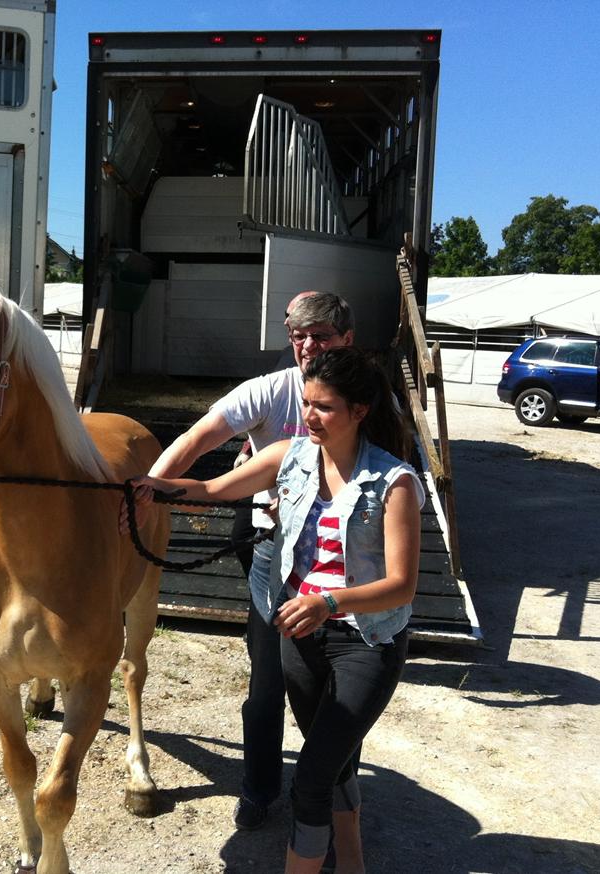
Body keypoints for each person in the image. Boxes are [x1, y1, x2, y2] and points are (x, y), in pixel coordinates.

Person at [126, 346, 423, 874]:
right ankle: (351, 862)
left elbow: (401, 586)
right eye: (307, 404)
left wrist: (327, 601)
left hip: (366, 642)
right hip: (300, 637)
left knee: (310, 779)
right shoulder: (289, 455)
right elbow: (216, 488)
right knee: (335, 759)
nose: (310, 416)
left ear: (360, 411)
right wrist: (157, 487)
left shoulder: (394, 482)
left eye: (325, 407)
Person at [145, 292, 355, 832]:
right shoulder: (269, 390)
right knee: (268, 682)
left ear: (347, 340)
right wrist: (151, 491)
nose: (310, 347)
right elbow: (196, 439)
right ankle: (259, 788)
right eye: (300, 337)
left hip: (342, 560)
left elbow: (396, 468)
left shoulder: (369, 398)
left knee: (334, 689)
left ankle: (334, 794)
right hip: (272, 550)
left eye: (323, 336)